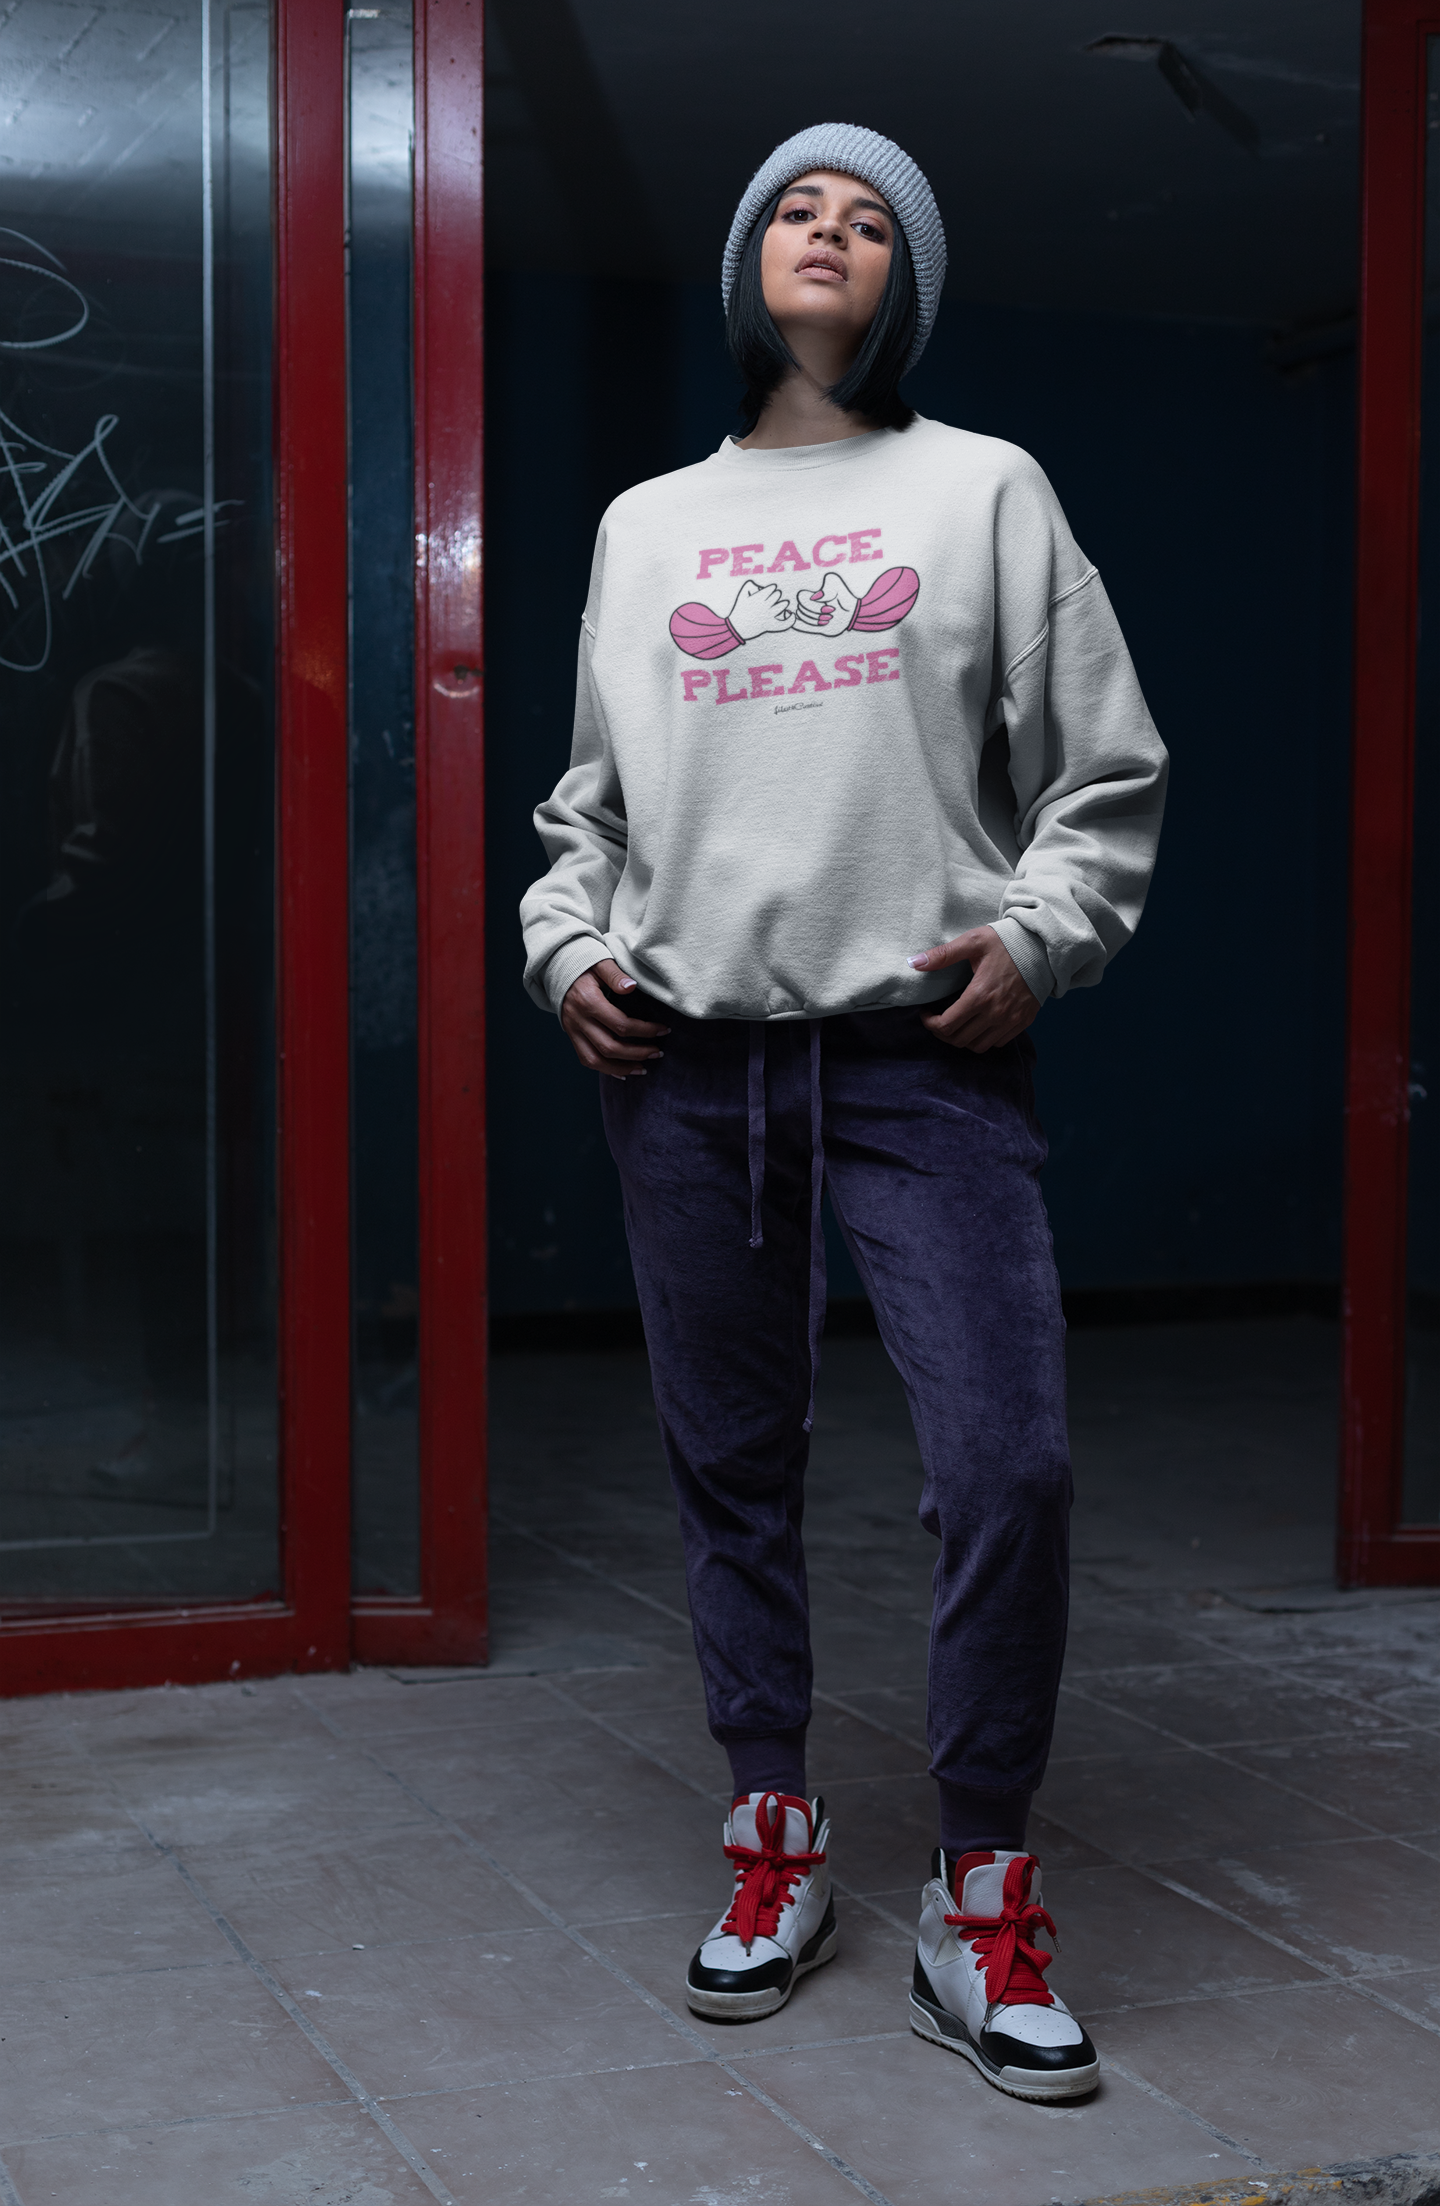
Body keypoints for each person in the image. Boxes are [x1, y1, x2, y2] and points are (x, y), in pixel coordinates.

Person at [520, 123, 1167, 2104]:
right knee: (731, 1465)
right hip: (689, 1063)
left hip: (922, 1055)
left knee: (1009, 1464)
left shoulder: (985, 490)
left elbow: (1105, 774)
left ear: (909, 284)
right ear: (748, 267)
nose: (828, 230)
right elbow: (585, 815)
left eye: (870, 218)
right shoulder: (649, 527)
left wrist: (1042, 937)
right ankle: (775, 1837)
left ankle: (982, 1899)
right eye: (795, 207)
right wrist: (565, 948)